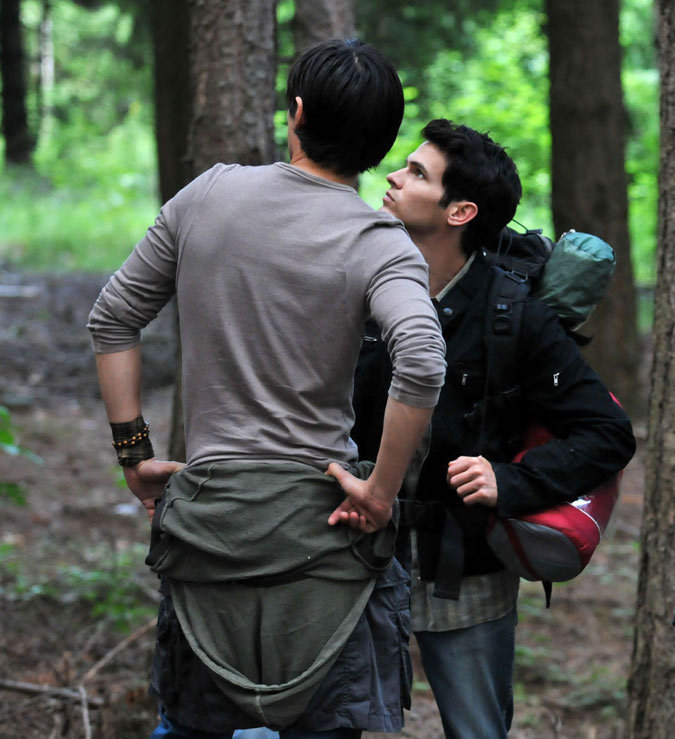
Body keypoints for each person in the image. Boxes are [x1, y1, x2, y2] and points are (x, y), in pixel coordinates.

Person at [87, 40, 446, 737]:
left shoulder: (208, 197)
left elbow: (113, 318)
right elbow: (423, 360)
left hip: (208, 524)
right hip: (323, 535)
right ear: (381, 144)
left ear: (298, 112)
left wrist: (134, 455)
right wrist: (380, 491)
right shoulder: (380, 241)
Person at [352, 119, 636, 738]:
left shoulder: (512, 314)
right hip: (351, 557)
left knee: (478, 730)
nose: (394, 176)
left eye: (418, 173)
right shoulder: (361, 282)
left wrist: (511, 481)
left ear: (461, 211)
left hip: (466, 566)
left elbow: (607, 433)